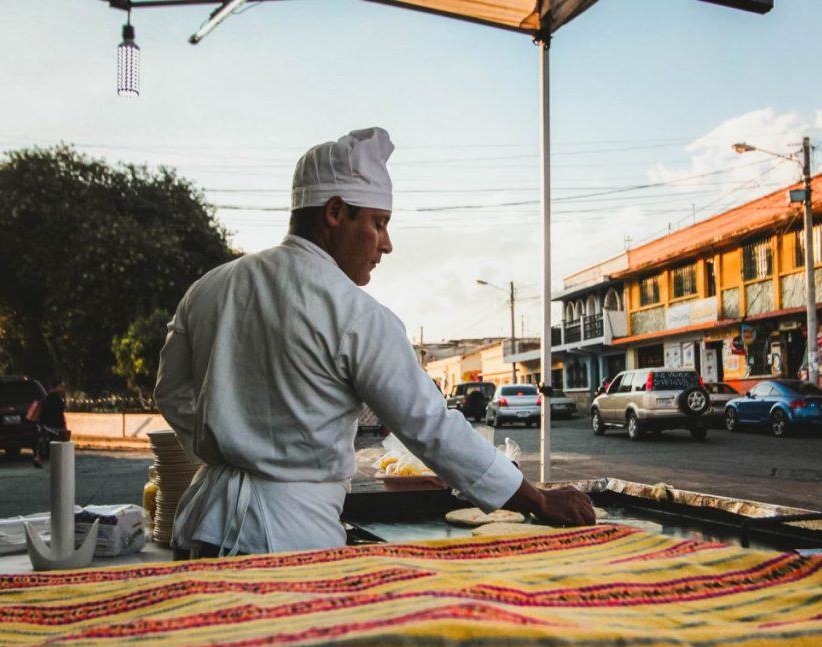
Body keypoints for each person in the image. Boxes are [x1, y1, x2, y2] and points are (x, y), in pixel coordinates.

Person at [155, 128, 594, 559]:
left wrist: (233, 451)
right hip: (292, 542)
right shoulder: (356, 313)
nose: (386, 244)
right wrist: (537, 500)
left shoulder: (209, 288)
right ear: (334, 212)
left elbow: (171, 394)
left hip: (201, 529)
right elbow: (431, 427)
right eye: (377, 223)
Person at [33, 379, 68, 468]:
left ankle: (38, 458)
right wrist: (64, 396)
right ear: (56, 387)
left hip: (45, 424)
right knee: (61, 444)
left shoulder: (46, 398)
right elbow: (62, 409)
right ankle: (61, 463)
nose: (63, 388)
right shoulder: (56, 398)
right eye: (61, 386)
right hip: (55, 426)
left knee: (44, 443)